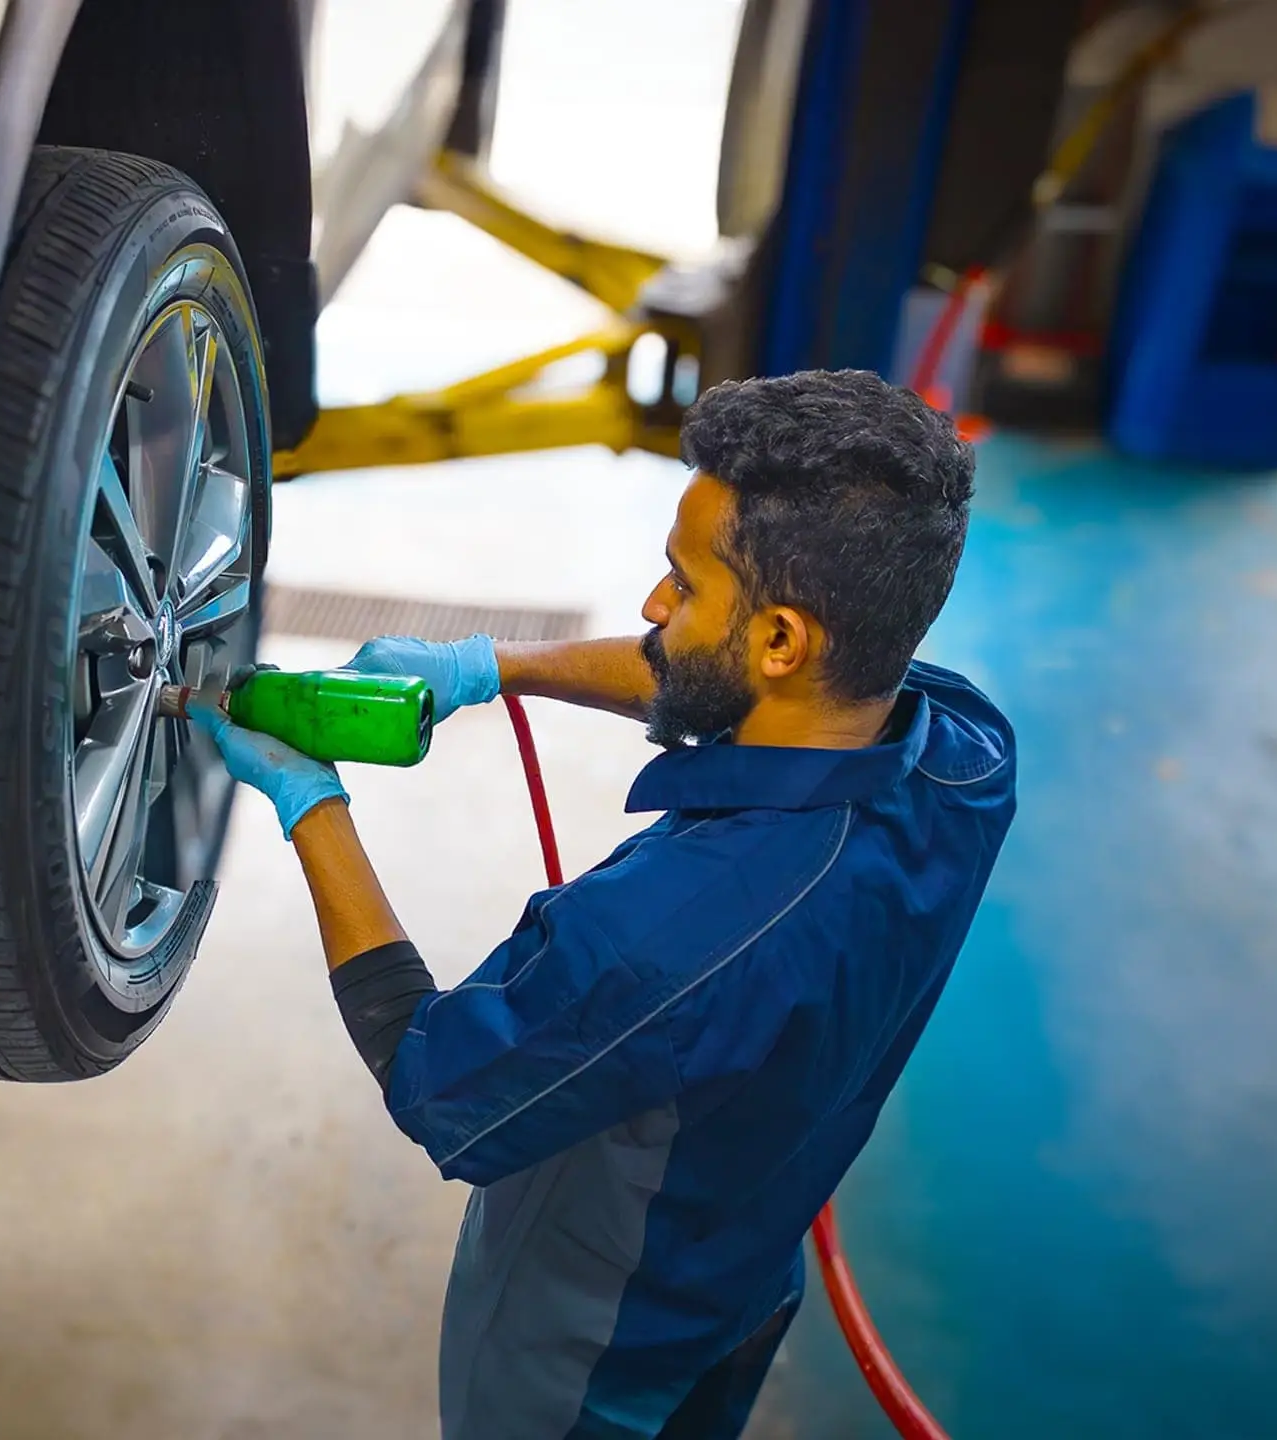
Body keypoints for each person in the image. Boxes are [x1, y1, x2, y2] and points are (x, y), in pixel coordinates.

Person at [190, 368, 1016, 1440]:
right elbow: (731, 681)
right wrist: (496, 667)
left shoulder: (660, 944)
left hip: (590, 1365)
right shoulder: (965, 755)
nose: (651, 606)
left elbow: (435, 1078)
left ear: (779, 641)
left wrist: (313, 805)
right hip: (743, 1277)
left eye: (682, 584)